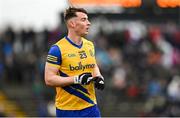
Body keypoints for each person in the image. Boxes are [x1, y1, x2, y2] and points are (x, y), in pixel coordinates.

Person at [44, 7, 105, 117]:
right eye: (84, 20)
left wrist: (98, 76)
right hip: (67, 111)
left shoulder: (89, 45)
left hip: (91, 108)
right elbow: (49, 79)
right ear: (72, 23)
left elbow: (93, 65)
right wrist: (77, 79)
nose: (89, 23)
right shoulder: (57, 49)